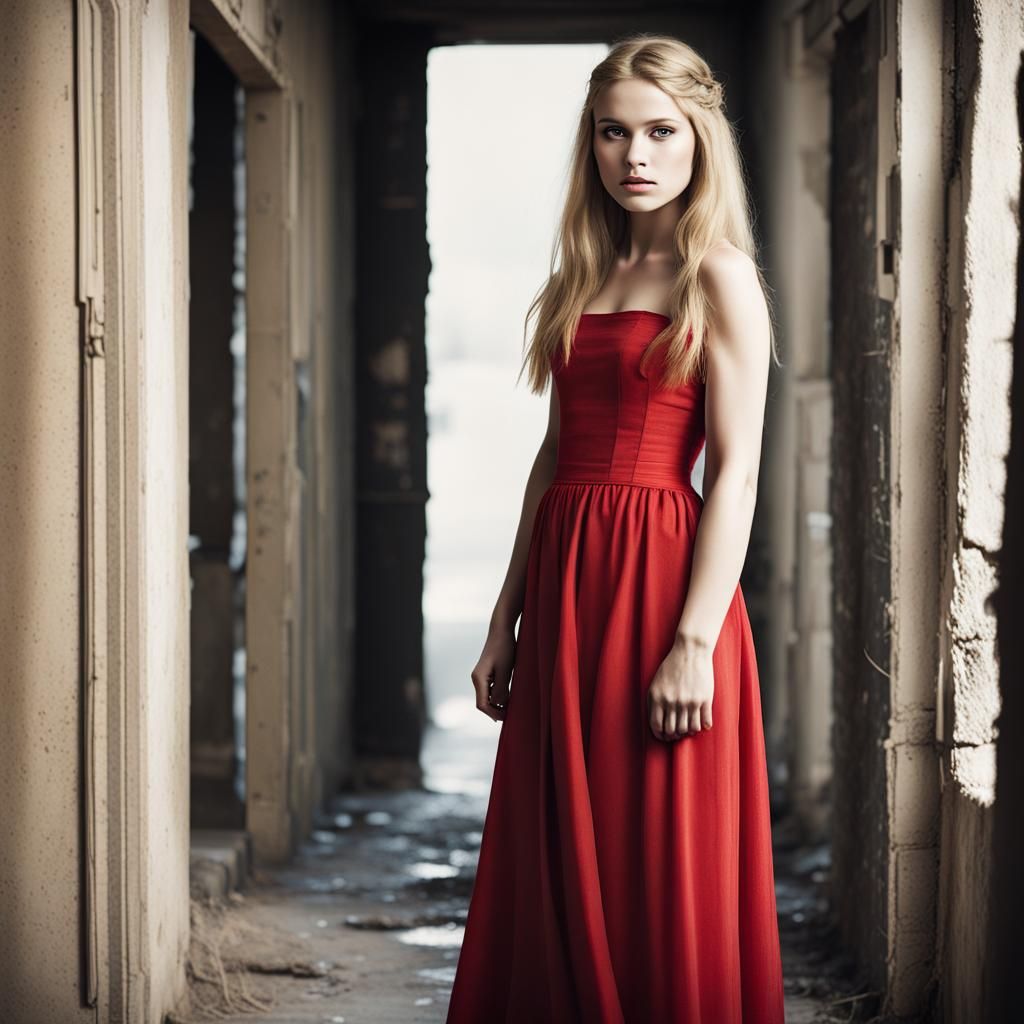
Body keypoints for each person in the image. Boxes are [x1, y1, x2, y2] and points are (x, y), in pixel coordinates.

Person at [445, 33, 786, 1024]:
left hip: (662, 586)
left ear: (697, 139)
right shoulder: (580, 276)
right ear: (589, 146)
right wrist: (505, 615)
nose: (634, 155)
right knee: (560, 843)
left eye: (658, 132)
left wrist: (691, 641)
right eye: (612, 133)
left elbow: (737, 470)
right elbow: (554, 458)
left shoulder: (717, 275)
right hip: (567, 587)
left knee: (652, 847)